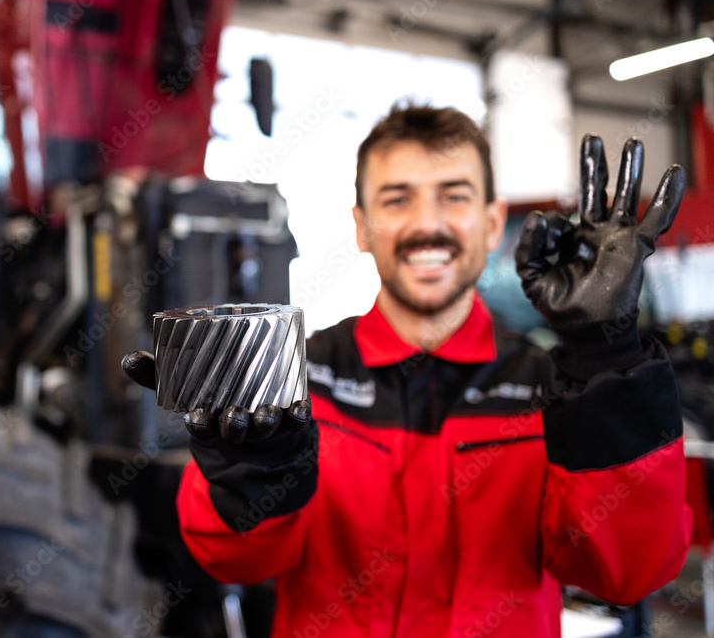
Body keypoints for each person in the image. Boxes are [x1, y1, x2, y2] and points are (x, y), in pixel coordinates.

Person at [122, 103, 692, 637]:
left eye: (454, 197)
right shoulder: (295, 380)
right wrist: (251, 477)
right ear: (361, 227)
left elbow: (626, 572)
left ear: (493, 223)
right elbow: (234, 560)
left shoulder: (561, 392)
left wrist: (606, 354)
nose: (428, 225)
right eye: (397, 200)